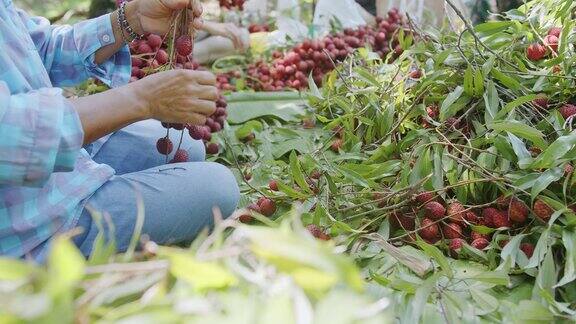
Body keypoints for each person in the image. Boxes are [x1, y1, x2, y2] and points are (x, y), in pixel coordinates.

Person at [0, 0, 240, 262]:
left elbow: (40, 48)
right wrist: (141, 100)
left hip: (43, 178)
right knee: (218, 186)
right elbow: (11, 133)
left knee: (191, 148)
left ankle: (87, 180)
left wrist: (129, 20)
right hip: (26, 228)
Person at [89, 0, 249, 64]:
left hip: (162, 34)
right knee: (232, 42)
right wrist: (210, 26)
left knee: (241, 35)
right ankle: (174, 62)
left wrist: (208, 24)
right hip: (129, 41)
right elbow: (129, 8)